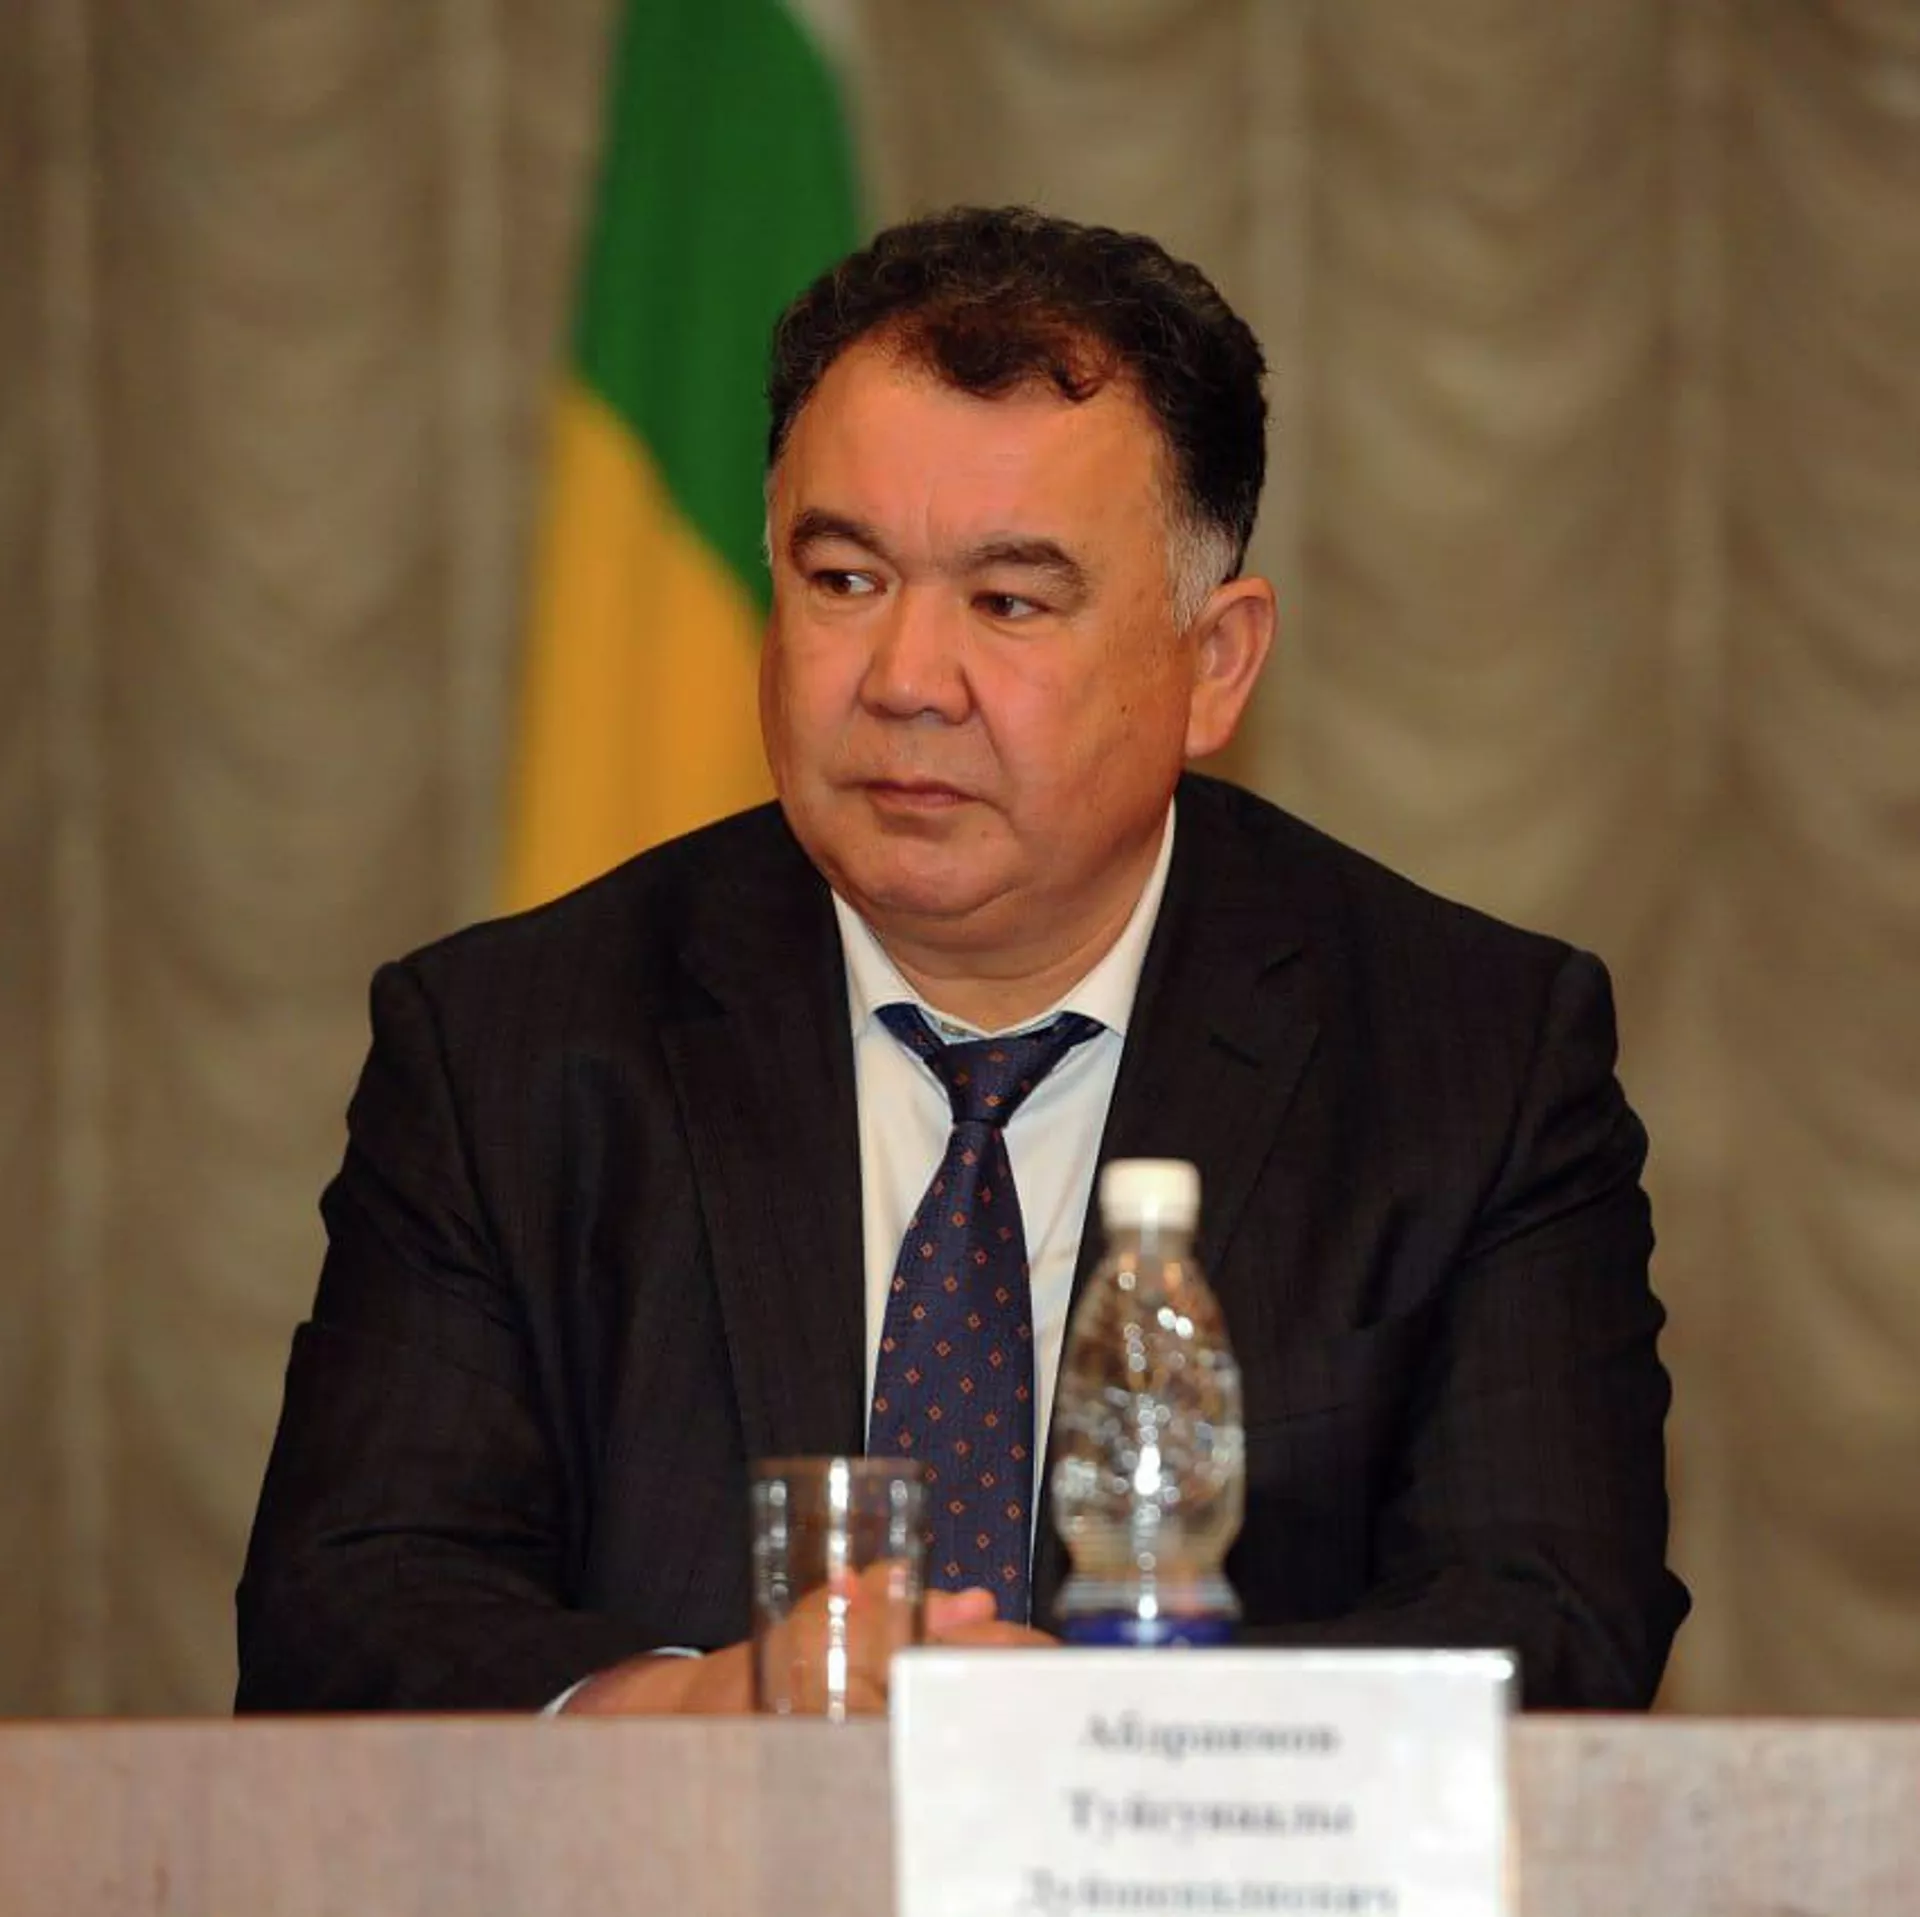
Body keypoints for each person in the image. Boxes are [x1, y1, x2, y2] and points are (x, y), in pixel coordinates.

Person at [235, 206, 1689, 1716]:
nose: (906, 681)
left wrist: (1084, 1740)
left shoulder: (1472, 1063)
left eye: (1008, 602)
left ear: (1213, 666)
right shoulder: (511, 1049)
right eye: (844, 581)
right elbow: (342, 1616)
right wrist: (695, 1713)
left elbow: (1552, 1632)